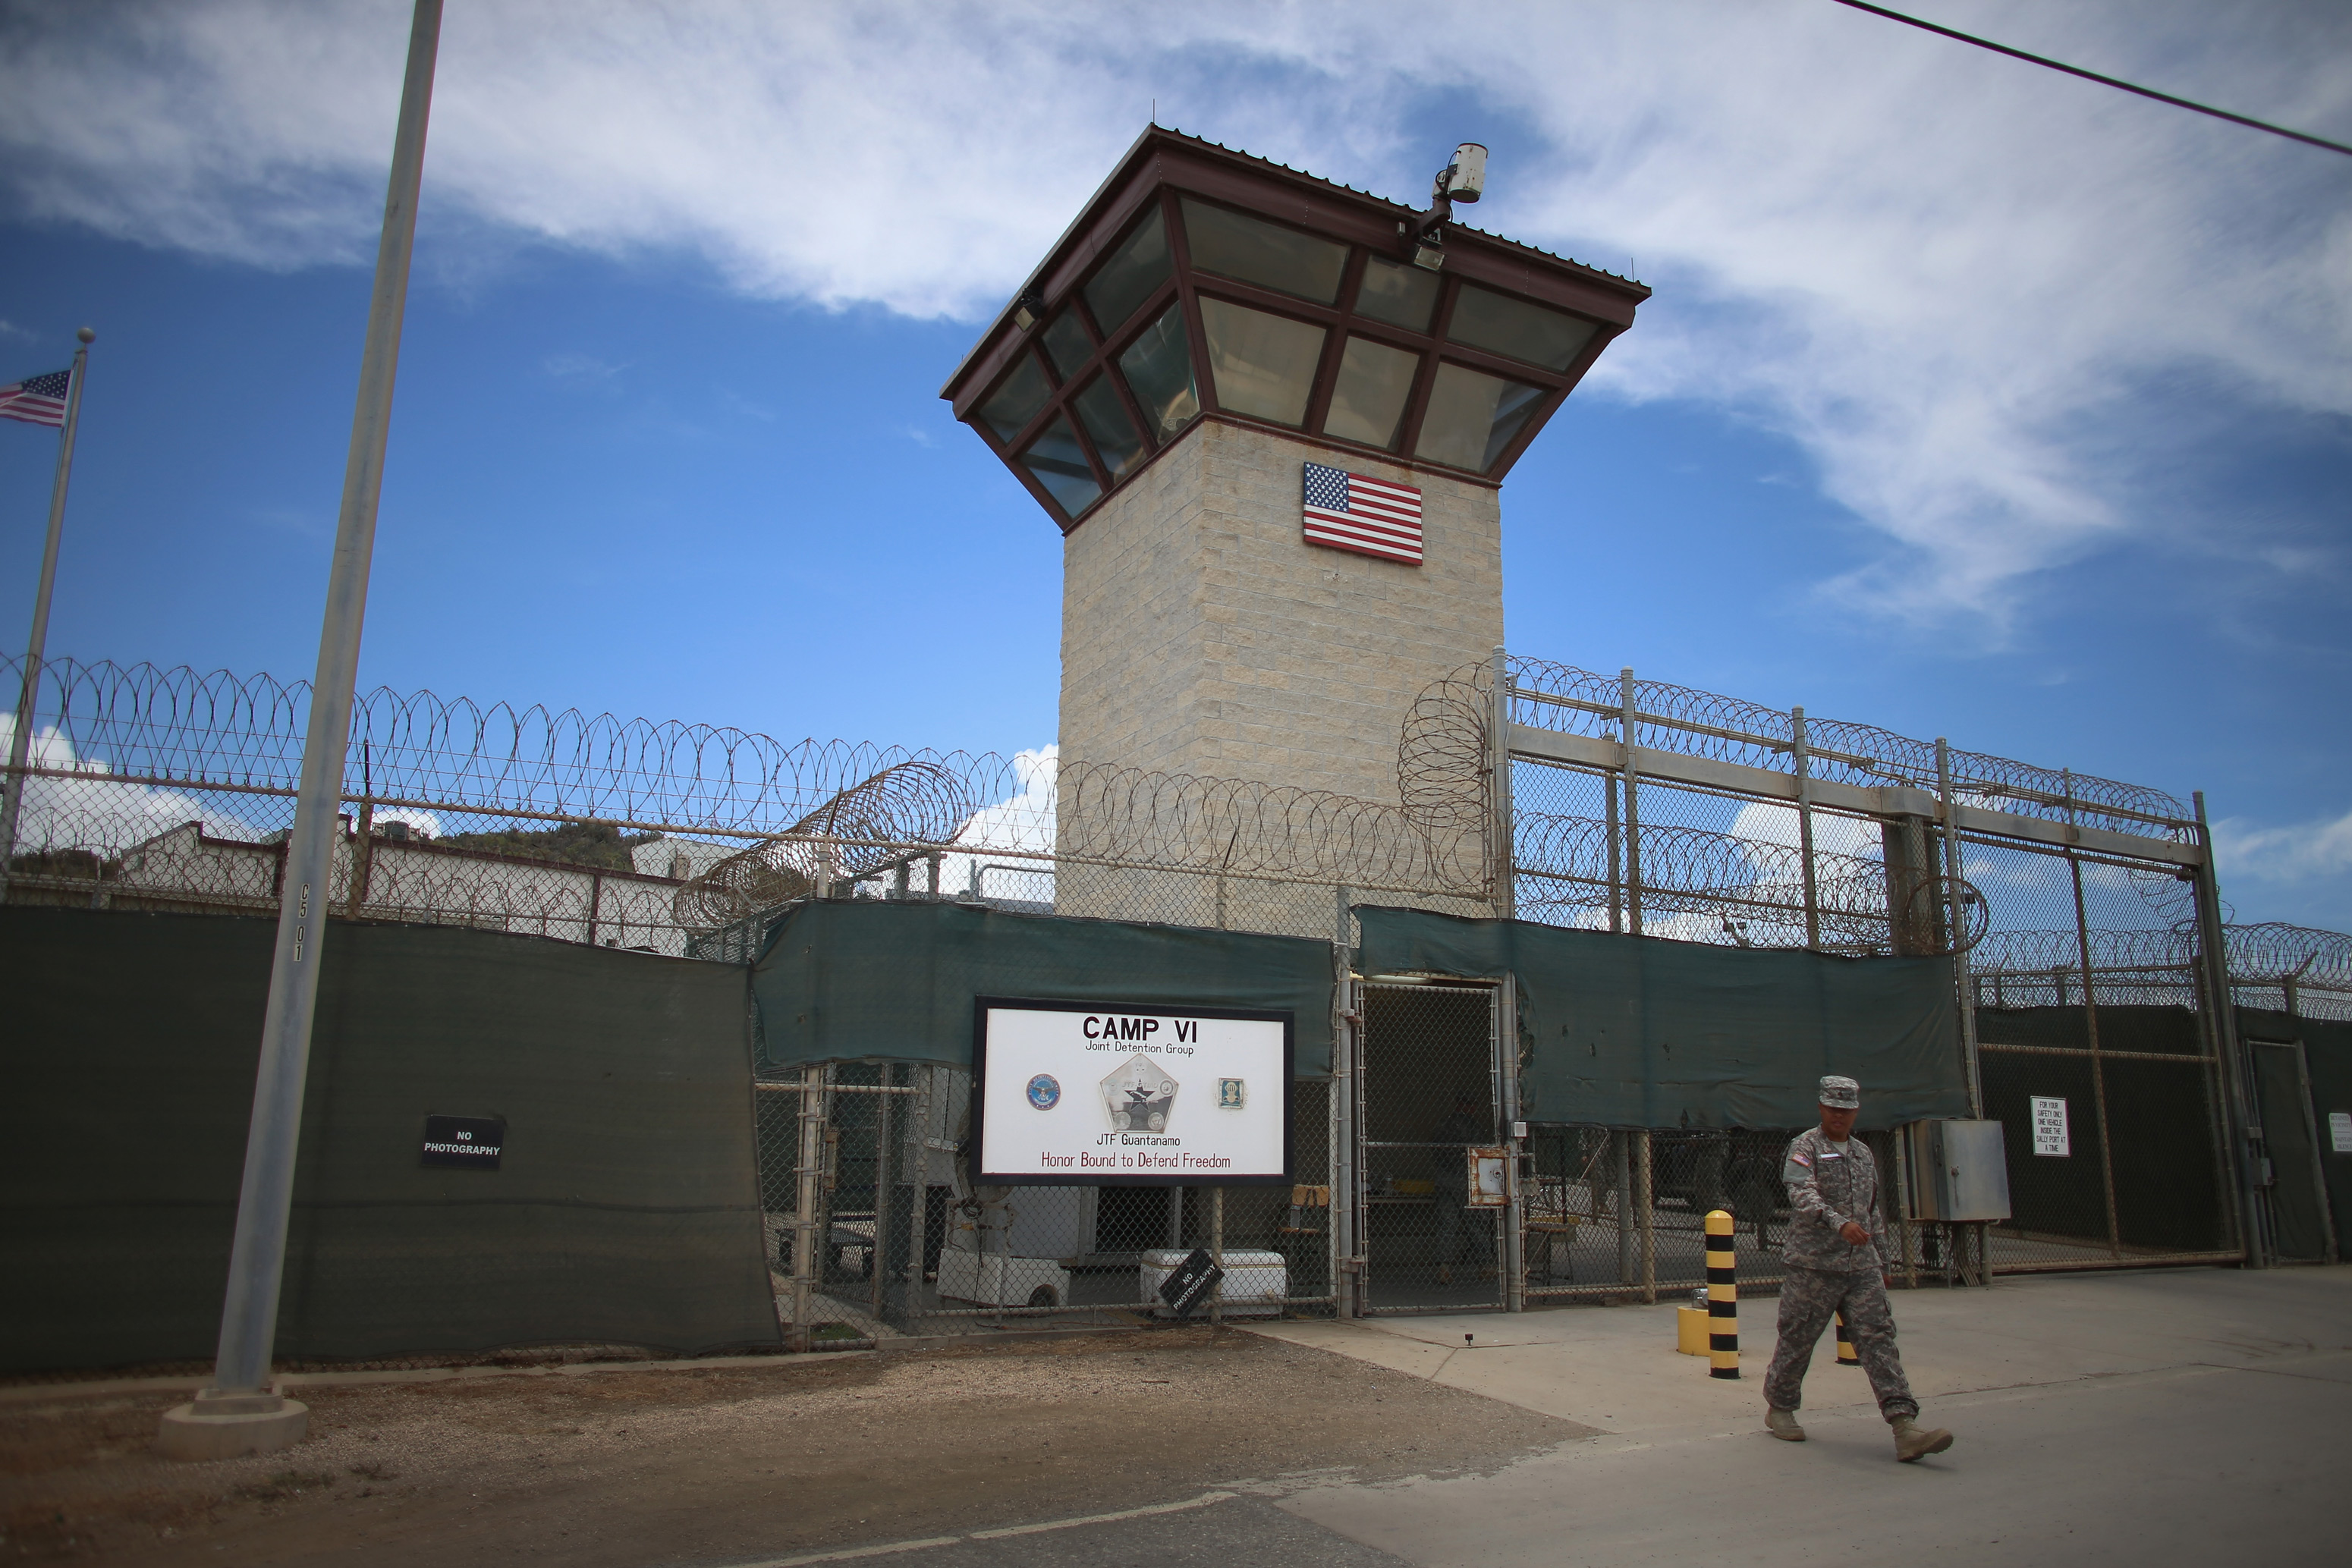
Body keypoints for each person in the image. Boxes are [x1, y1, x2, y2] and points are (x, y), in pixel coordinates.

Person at [1762, 1076, 1954, 1463]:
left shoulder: (1863, 1154)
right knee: (1798, 1338)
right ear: (1821, 1108)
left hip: (1860, 1267)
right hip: (1813, 1266)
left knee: (1879, 1339)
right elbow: (1801, 1194)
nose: (1839, 1115)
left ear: (1855, 1112)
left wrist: (1881, 1258)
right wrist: (1837, 1223)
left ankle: (1905, 1426)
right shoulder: (1805, 1147)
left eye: (1846, 1109)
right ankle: (1780, 1408)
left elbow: (1872, 1210)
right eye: (1833, 1107)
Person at [1429, 1092, 1494, 1285]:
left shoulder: (1443, 1124)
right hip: (1465, 1180)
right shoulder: (1472, 1126)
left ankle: (1444, 1268)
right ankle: (1484, 1265)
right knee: (1476, 1223)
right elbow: (1478, 1151)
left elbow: (1436, 1151)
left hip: (1443, 1179)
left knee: (1447, 1224)